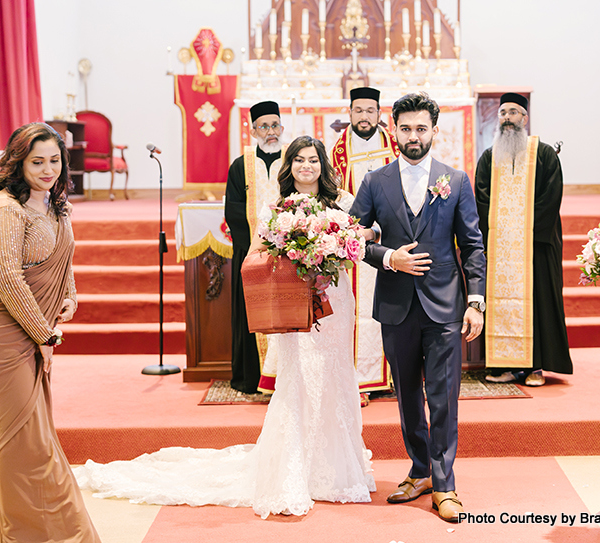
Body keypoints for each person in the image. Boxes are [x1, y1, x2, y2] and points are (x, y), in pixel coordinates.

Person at [75, 135, 376, 519]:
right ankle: (294, 467)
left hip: (335, 305)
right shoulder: (277, 208)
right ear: (290, 167)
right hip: (295, 306)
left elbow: (359, 242)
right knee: (299, 379)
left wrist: (344, 243)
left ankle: (337, 468)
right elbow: (262, 253)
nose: (306, 167)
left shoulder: (343, 203)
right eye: (298, 160)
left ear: (323, 166)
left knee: (334, 377)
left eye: (313, 160)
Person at [0, 123, 101, 542]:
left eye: (54, 160)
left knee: (32, 432)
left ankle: (24, 527)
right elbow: (7, 279)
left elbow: (63, 259)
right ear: (17, 162)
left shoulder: (56, 206)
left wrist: (68, 298)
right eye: (37, 161)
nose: (47, 169)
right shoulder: (3, 209)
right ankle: (36, 532)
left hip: (31, 322)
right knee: (23, 438)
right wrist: (45, 335)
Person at [349, 92, 486, 522]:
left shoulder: (456, 181)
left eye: (421, 129)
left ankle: (445, 484)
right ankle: (421, 468)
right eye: (405, 128)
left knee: (442, 396)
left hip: (445, 305)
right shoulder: (375, 181)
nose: (413, 136)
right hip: (395, 305)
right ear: (394, 129)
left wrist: (476, 301)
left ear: (434, 131)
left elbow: (472, 245)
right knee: (407, 395)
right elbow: (352, 237)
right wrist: (390, 257)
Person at [474, 92, 572, 387]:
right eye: (503, 112)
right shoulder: (490, 157)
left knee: (538, 302)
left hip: (535, 245)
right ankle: (506, 365)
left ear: (524, 119)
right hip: (501, 246)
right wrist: (500, 231)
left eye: (513, 112)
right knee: (502, 303)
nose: (507, 118)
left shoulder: (543, 154)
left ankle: (536, 367)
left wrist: (523, 230)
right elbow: (481, 198)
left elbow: (551, 196)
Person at [331, 86, 401, 404]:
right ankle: (359, 382)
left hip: (392, 238)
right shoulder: (338, 151)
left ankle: (394, 376)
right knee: (359, 311)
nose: (364, 117)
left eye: (370, 110)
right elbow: (334, 194)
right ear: (350, 113)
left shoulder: (394, 145)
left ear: (379, 113)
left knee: (395, 306)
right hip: (358, 243)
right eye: (358, 111)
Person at [225, 100, 286, 394]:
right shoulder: (240, 166)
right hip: (252, 252)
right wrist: (261, 242)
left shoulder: (294, 160)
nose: (270, 132)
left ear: (282, 128)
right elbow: (233, 211)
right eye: (264, 126)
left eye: (274, 125)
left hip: (291, 254)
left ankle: (286, 379)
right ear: (253, 130)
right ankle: (251, 378)